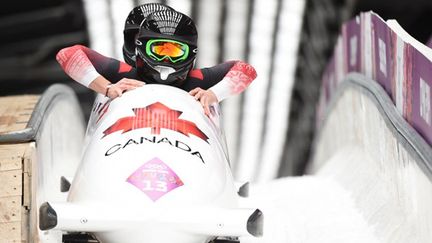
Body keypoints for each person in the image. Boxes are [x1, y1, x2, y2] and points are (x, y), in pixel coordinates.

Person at [56, 4, 257, 116]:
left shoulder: (197, 81)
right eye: (159, 49)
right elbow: (68, 54)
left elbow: (246, 69)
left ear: (191, 54)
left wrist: (214, 94)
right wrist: (107, 88)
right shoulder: (125, 76)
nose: (167, 58)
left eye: (176, 52)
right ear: (142, 49)